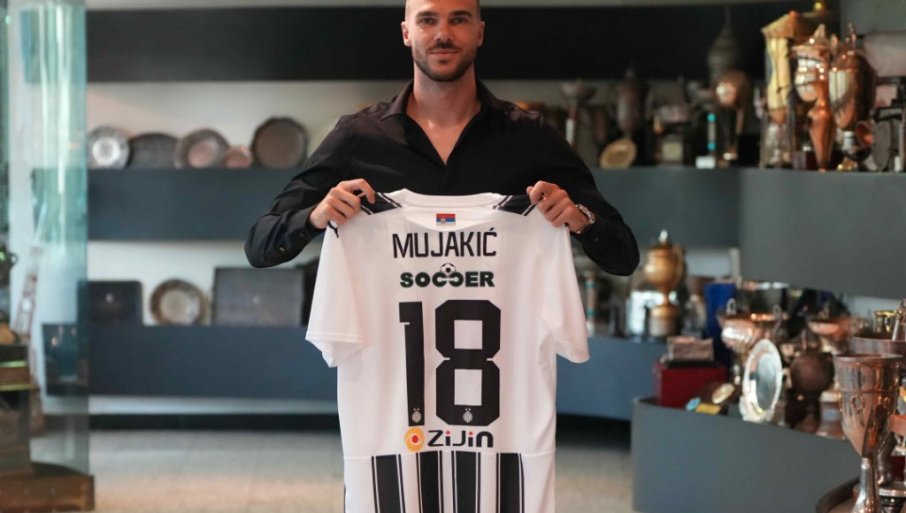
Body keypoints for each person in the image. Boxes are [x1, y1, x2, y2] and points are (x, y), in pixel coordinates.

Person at [245, 0, 638, 275]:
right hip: (390, 366)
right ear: (406, 33)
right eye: (427, 20)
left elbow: (624, 256)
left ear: (479, 32)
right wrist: (315, 216)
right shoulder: (357, 137)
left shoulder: (530, 136)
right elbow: (260, 245)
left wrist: (581, 220)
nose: (443, 34)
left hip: (501, 368)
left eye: (459, 19)